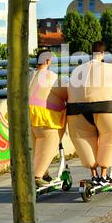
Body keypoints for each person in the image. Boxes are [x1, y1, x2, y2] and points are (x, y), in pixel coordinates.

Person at [67, 41, 112, 186]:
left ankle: (93, 174)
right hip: (107, 108)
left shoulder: (77, 70)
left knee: (86, 139)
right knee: (109, 138)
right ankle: (104, 175)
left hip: (77, 111)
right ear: (104, 54)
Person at [29, 49, 68, 188]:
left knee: (35, 150)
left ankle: (44, 174)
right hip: (47, 119)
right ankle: (38, 177)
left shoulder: (30, 75)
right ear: (47, 61)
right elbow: (66, 93)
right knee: (47, 148)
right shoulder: (51, 77)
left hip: (29, 119)